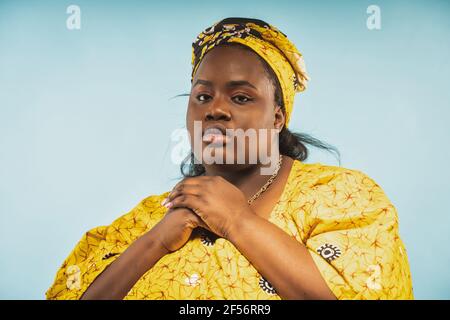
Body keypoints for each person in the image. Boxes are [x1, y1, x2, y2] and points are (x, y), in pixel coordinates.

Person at [46, 17, 413, 300]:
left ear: (277, 118)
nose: (215, 110)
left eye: (240, 97)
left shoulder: (341, 199)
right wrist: (155, 241)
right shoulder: (143, 222)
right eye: (202, 97)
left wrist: (236, 219)